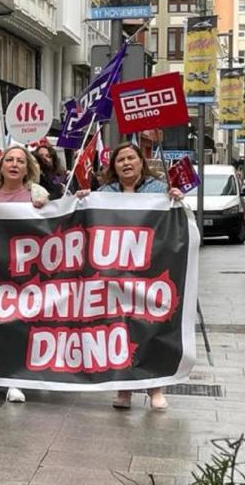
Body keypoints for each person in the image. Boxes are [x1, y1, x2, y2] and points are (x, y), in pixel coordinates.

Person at [77, 142, 183, 411]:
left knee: (150, 328)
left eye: (131, 158)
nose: (126, 163)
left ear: (141, 162)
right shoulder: (105, 192)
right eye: (120, 159)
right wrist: (82, 200)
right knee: (120, 331)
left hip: (149, 272)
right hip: (114, 275)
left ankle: (155, 388)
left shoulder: (158, 190)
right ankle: (123, 390)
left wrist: (176, 197)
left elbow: (175, 224)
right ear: (113, 166)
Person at [0, 146, 49, 403]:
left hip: (24, 271)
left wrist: (43, 210)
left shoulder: (38, 195)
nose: (14, 165)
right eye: (10, 160)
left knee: (19, 322)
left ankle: (15, 378)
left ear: (28, 168)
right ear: (1, 165)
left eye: (20, 161)